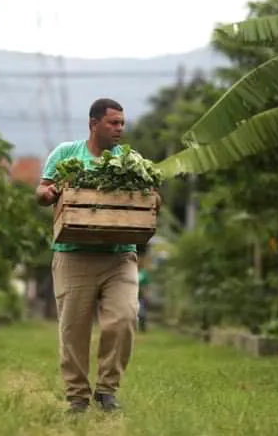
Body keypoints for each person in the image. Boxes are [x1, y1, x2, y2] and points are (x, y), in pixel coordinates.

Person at [35, 98, 160, 415]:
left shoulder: (131, 160)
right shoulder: (66, 154)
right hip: (73, 255)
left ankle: (107, 391)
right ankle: (77, 396)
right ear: (93, 124)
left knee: (124, 318)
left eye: (122, 123)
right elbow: (42, 190)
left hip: (119, 256)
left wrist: (153, 199)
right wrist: (49, 193)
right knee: (73, 329)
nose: (120, 128)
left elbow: (150, 195)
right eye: (113, 123)